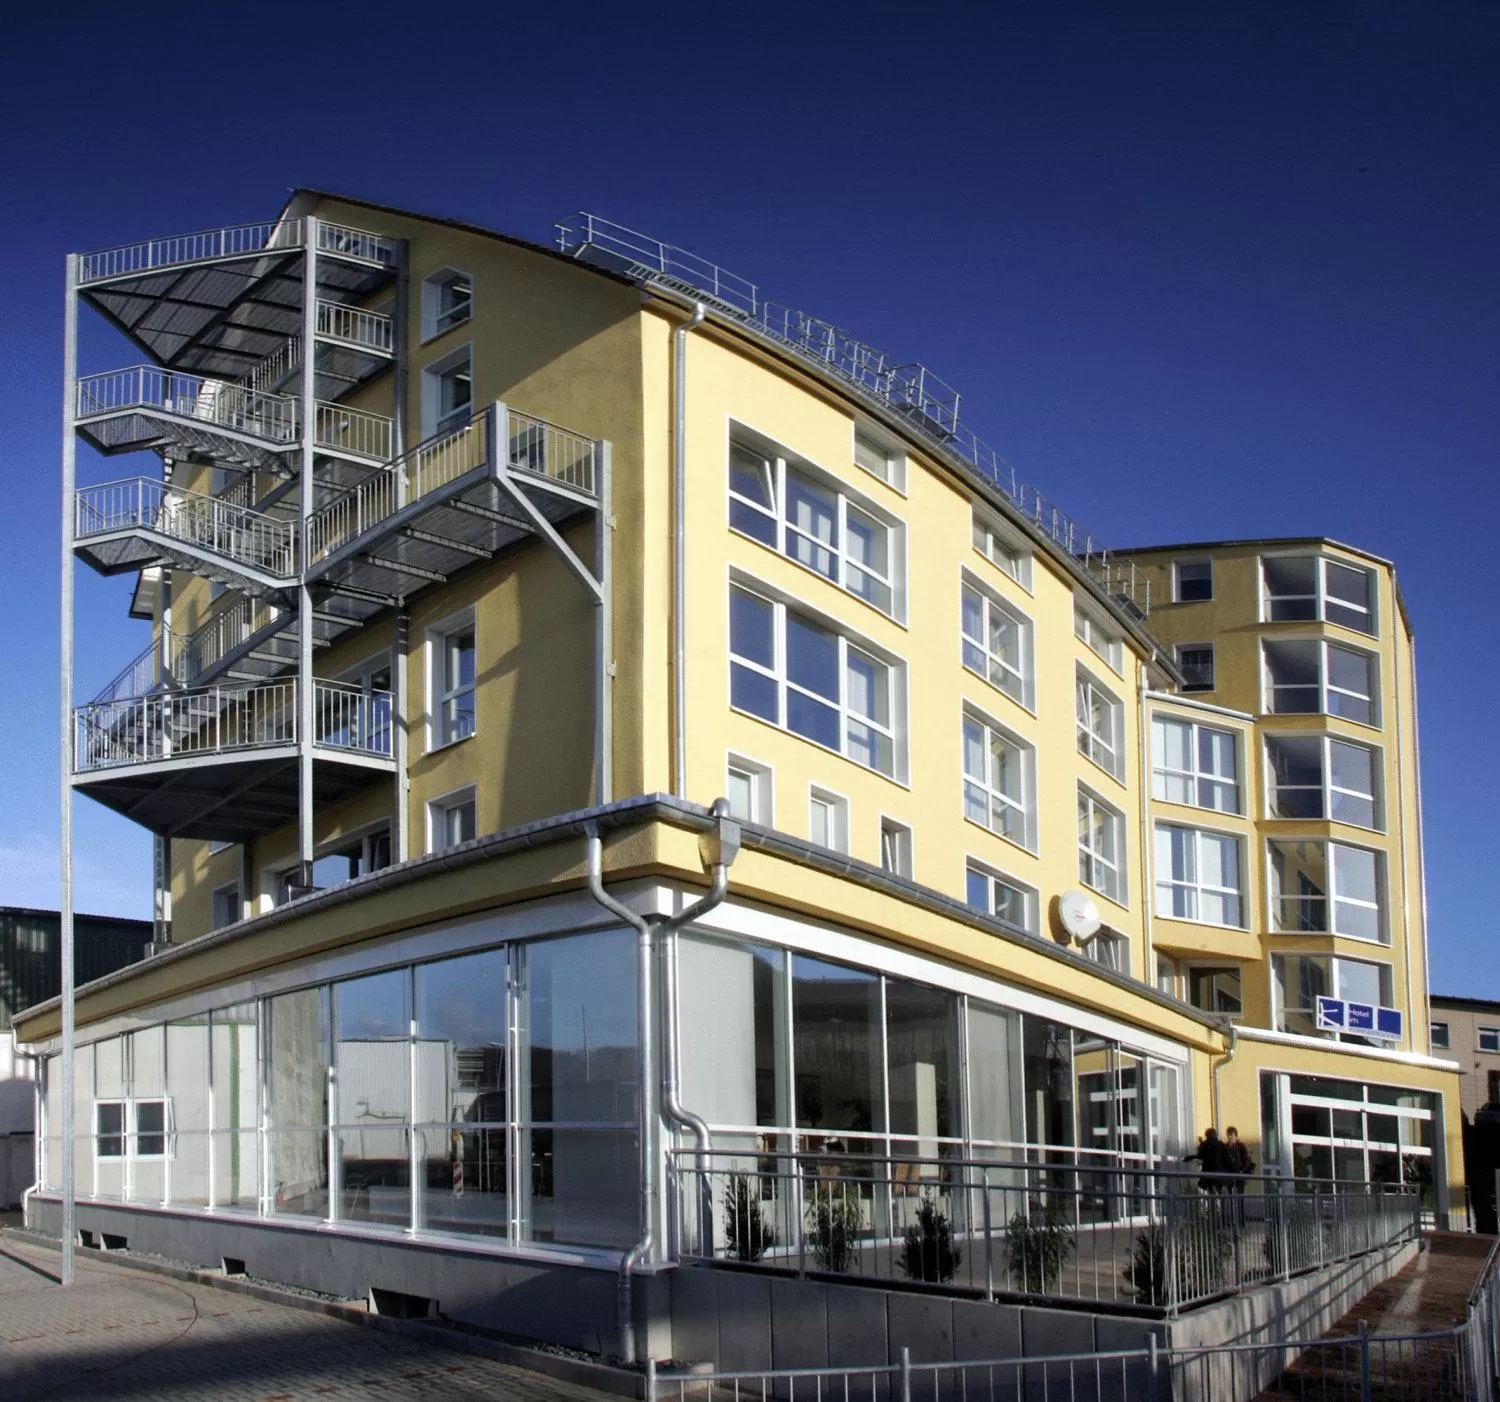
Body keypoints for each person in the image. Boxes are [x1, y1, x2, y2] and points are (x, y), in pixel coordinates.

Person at [1185, 1127, 1230, 1193]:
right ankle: (1219, 1198)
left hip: (1208, 1171)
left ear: (1207, 1135)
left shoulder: (1205, 1144)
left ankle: (1213, 1199)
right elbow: (1226, 1157)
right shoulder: (1221, 1144)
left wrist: (1190, 1157)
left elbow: (1200, 1156)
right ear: (1215, 1135)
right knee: (1219, 1190)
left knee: (1211, 1189)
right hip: (1220, 1171)